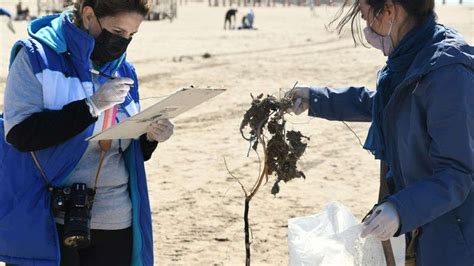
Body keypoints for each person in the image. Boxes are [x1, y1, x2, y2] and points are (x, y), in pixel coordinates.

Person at [287, 0, 473, 265]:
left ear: (389, 11)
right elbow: (386, 104)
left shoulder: (448, 73)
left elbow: (457, 173)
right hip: (419, 226)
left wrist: (400, 210)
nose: (365, 27)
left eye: (365, 16)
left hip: (452, 239)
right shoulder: (413, 54)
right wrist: (314, 98)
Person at [0, 0, 174, 265]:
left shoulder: (124, 70)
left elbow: (124, 149)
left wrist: (149, 138)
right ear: (89, 15)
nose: (123, 42)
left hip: (117, 217)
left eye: (131, 35)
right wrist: (90, 107)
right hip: (50, 216)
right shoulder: (36, 57)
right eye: (117, 32)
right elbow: (20, 135)